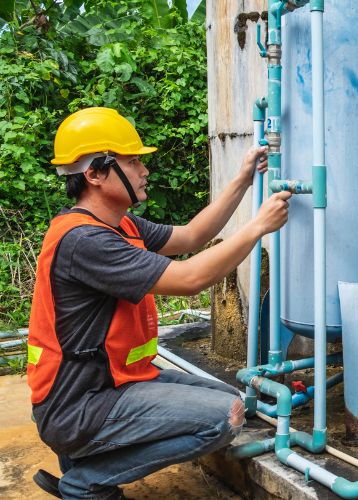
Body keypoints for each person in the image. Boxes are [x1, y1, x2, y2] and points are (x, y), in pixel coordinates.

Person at [25, 107, 291, 499]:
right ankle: (86, 481)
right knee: (223, 418)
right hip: (78, 406)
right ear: (95, 174)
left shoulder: (121, 224)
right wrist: (258, 227)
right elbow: (190, 278)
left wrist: (242, 180)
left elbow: (190, 238)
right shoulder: (86, 241)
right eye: (132, 162)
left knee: (231, 400)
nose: (143, 170)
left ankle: (83, 464)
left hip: (110, 385)